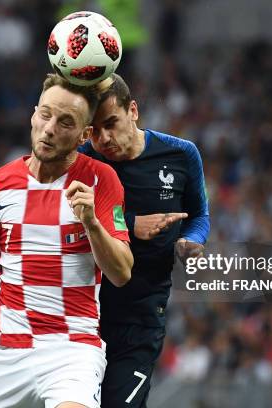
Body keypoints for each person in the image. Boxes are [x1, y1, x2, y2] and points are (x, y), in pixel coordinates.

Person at [0, 74, 133, 408]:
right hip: (5, 351)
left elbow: (121, 272)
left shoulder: (101, 180)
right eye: (45, 115)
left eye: (65, 122)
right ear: (33, 114)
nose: (49, 129)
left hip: (72, 348)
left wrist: (91, 224)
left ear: (84, 135)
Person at [79, 73, 210, 407]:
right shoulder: (83, 160)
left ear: (133, 111)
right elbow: (62, 217)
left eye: (111, 123)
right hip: (83, 316)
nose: (104, 138)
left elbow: (198, 215)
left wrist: (190, 241)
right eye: (93, 130)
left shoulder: (181, 154)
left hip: (141, 317)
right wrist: (131, 223)